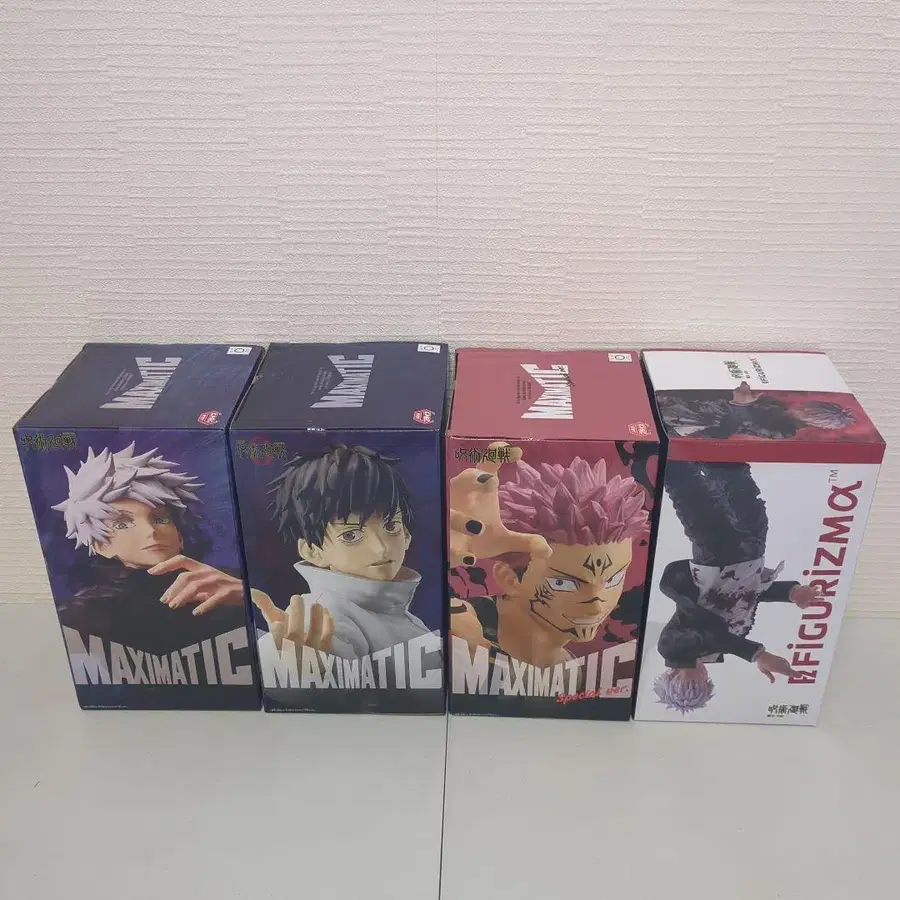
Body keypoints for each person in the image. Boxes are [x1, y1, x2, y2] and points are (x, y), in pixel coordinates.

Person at [448, 445, 650, 670]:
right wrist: (433, 554)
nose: (595, 608)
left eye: (613, 579)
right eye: (562, 583)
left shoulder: (569, 669)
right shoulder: (458, 624)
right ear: (509, 579)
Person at [652, 460, 820, 713]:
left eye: (687, 683)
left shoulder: (672, 647)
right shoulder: (723, 646)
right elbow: (743, 596)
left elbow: (708, 633)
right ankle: (719, 456)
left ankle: (678, 457)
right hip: (751, 557)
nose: (696, 677)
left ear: (671, 675)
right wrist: (791, 593)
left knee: (693, 498)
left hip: (715, 557)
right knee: (744, 499)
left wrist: (757, 654)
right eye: (700, 684)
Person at [53, 443, 247, 655]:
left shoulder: (230, 585)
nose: (150, 531)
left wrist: (249, 598)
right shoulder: (84, 613)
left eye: (161, 519)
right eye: (122, 524)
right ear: (101, 546)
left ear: (179, 536)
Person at [252, 445, 431, 662]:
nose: (381, 547)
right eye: (350, 535)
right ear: (312, 551)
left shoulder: (392, 610)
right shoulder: (323, 617)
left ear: (406, 534)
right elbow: (314, 657)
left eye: (391, 526)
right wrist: (302, 674)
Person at [657, 381, 856, 440]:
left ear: (813, 417)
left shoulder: (785, 430)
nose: (802, 407)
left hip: (698, 421)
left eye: (808, 410)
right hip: (700, 402)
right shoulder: (777, 404)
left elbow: (746, 425)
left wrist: (740, 405)